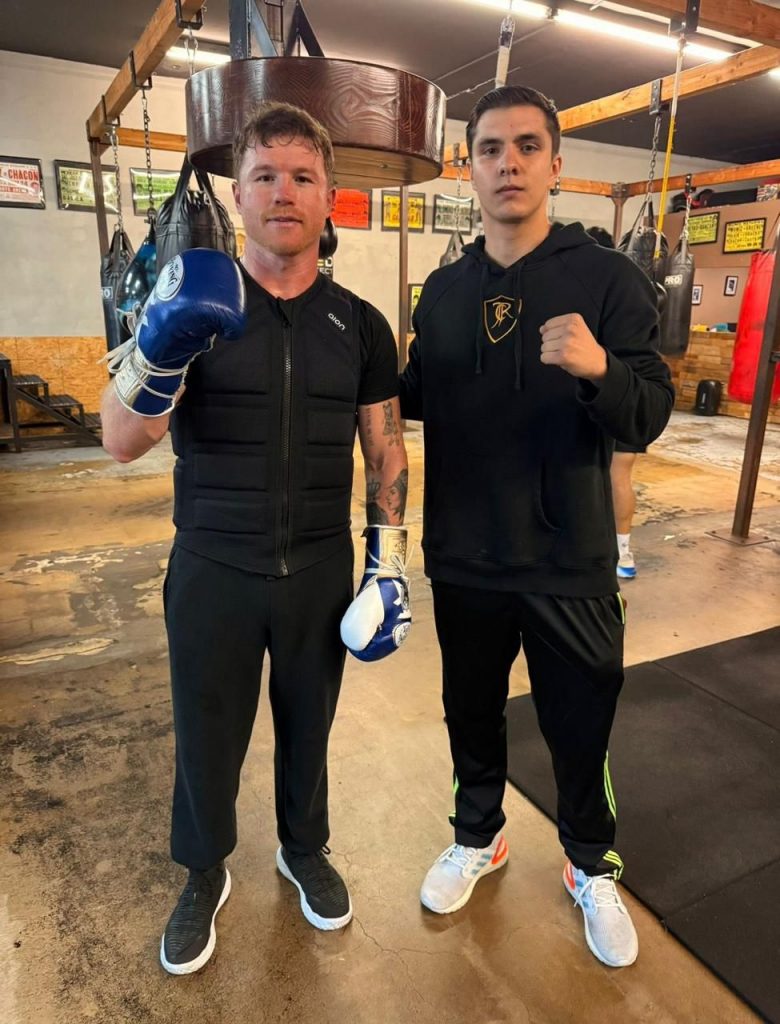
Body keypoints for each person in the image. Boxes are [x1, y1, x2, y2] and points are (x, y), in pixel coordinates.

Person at [101, 102, 409, 974]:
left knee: (310, 727)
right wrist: (161, 351)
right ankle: (203, 871)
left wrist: (390, 565)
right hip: (213, 563)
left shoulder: (360, 323)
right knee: (207, 736)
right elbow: (118, 441)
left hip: (318, 565)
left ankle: (303, 849)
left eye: (302, 176)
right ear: (237, 195)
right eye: (265, 175)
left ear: (329, 196)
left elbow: (386, 448)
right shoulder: (187, 304)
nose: (284, 192)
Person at [399, 86, 674, 968]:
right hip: (465, 556)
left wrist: (600, 370)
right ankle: (478, 837)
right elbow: (408, 394)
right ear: (469, 167)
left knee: (579, 726)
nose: (508, 163)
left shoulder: (609, 279)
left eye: (526, 146)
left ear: (557, 164)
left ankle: (591, 865)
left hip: (570, 557)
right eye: (490, 148)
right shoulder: (444, 292)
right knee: (470, 714)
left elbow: (649, 412)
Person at [586, 225, 643, 579]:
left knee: (609, 476)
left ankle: (614, 553)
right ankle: (624, 554)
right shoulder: (627, 290)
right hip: (627, 389)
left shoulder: (588, 291)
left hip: (610, 392)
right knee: (620, 475)